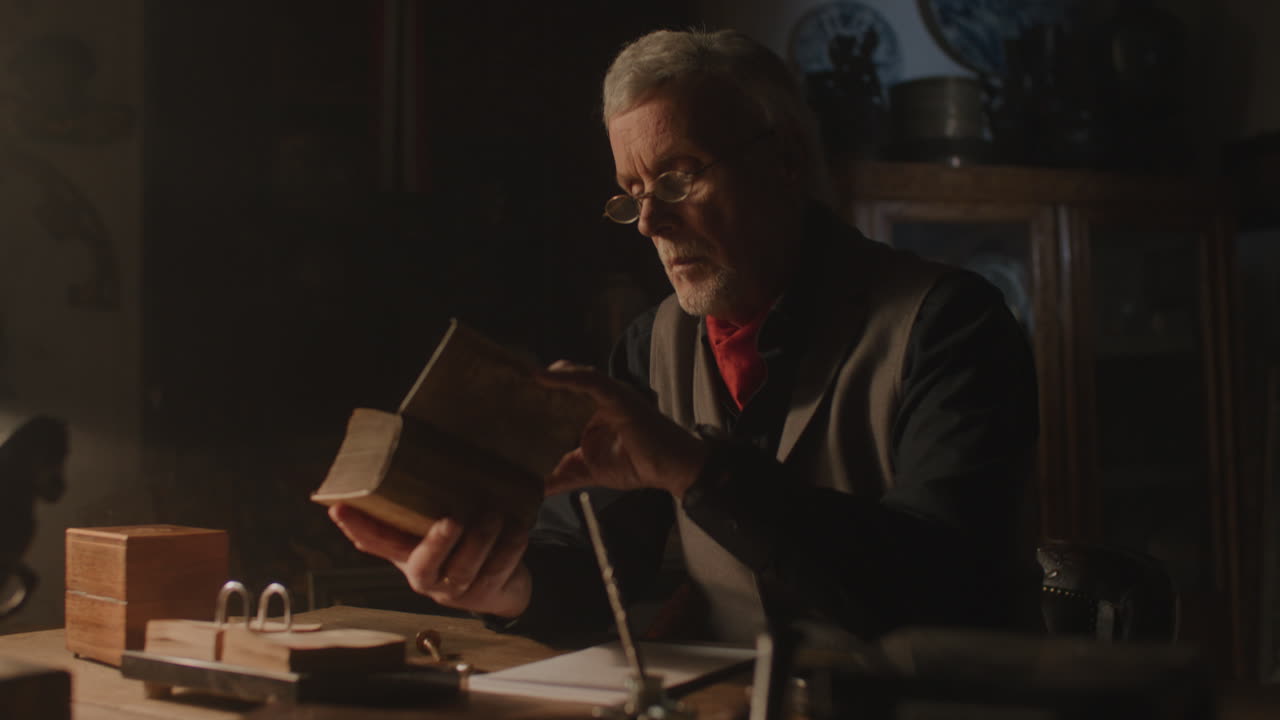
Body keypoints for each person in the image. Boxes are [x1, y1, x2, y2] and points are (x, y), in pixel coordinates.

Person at [329, 28, 1039, 645]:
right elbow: (596, 560)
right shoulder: (651, 346)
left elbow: (946, 585)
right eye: (632, 194)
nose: (649, 225)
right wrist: (498, 587)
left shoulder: (951, 323)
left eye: (677, 179)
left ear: (786, 158)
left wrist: (698, 470)